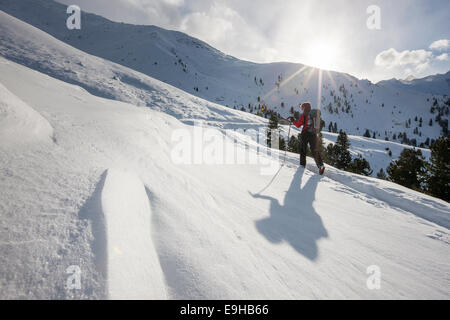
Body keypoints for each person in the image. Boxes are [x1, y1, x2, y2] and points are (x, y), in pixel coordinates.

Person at [288, 102, 325, 175]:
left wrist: (293, 121)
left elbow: (298, 125)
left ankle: (302, 165)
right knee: (314, 150)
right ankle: (321, 166)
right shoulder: (314, 115)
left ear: (304, 107)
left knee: (303, 149)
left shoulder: (304, 115)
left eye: (302, 107)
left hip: (305, 134)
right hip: (313, 134)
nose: (301, 109)